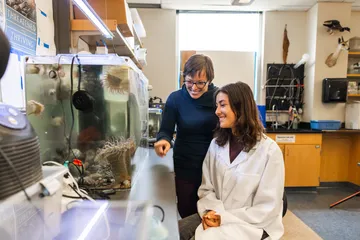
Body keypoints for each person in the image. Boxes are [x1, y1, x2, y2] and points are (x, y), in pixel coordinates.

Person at [179, 81, 285, 240]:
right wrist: (212, 213)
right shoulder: (216, 145)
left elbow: (267, 208)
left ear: (240, 108)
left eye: (222, 105)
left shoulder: (269, 151)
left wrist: (223, 218)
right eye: (216, 106)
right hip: (216, 214)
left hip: (251, 224)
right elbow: (207, 189)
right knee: (173, 231)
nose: (217, 111)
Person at [154, 54, 218, 218]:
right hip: (185, 165)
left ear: (209, 80)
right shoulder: (176, 99)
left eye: (200, 83)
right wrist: (163, 140)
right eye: (189, 81)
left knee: (212, 211)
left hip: (214, 165)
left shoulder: (218, 98)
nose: (194, 87)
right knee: (187, 210)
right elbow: (166, 130)